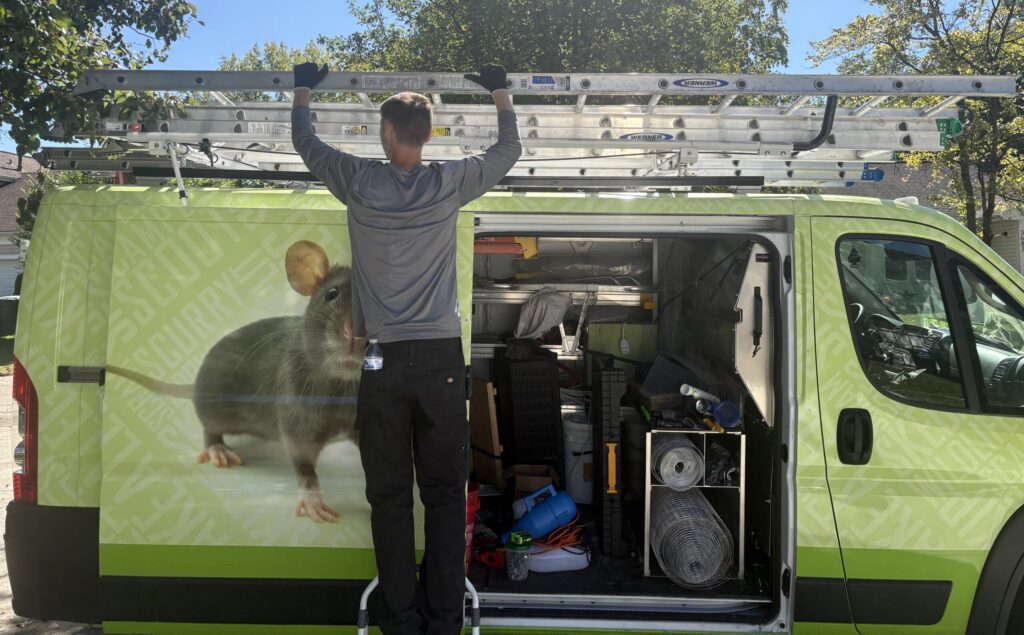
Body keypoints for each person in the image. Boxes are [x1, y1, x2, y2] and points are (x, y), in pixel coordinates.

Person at [290, 63, 521, 635]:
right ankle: (445, 622)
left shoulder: (358, 180)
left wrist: (303, 88)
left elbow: (305, 141)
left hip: (382, 361)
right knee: (445, 497)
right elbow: (509, 149)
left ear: (392, 133)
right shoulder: (450, 183)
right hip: (441, 359)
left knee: (390, 499)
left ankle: (403, 621)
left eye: (381, 129)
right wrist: (498, 89)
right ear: (425, 133)